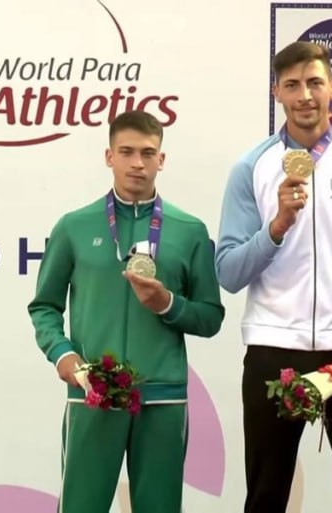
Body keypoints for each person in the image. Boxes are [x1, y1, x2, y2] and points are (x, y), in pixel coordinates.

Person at [215, 41, 332, 513]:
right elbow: (229, 272)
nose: (304, 96)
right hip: (274, 348)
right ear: (276, 91)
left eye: (315, 83)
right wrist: (276, 227)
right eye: (292, 85)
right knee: (266, 496)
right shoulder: (250, 168)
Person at [27, 110, 225, 513]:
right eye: (127, 152)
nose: (138, 163)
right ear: (109, 156)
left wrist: (167, 304)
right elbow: (44, 306)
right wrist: (63, 356)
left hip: (163, 399)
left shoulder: (189, 230)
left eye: (148, 153)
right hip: (93, 393)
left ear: (161, 160)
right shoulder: (73, 226)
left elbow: (210, 317)